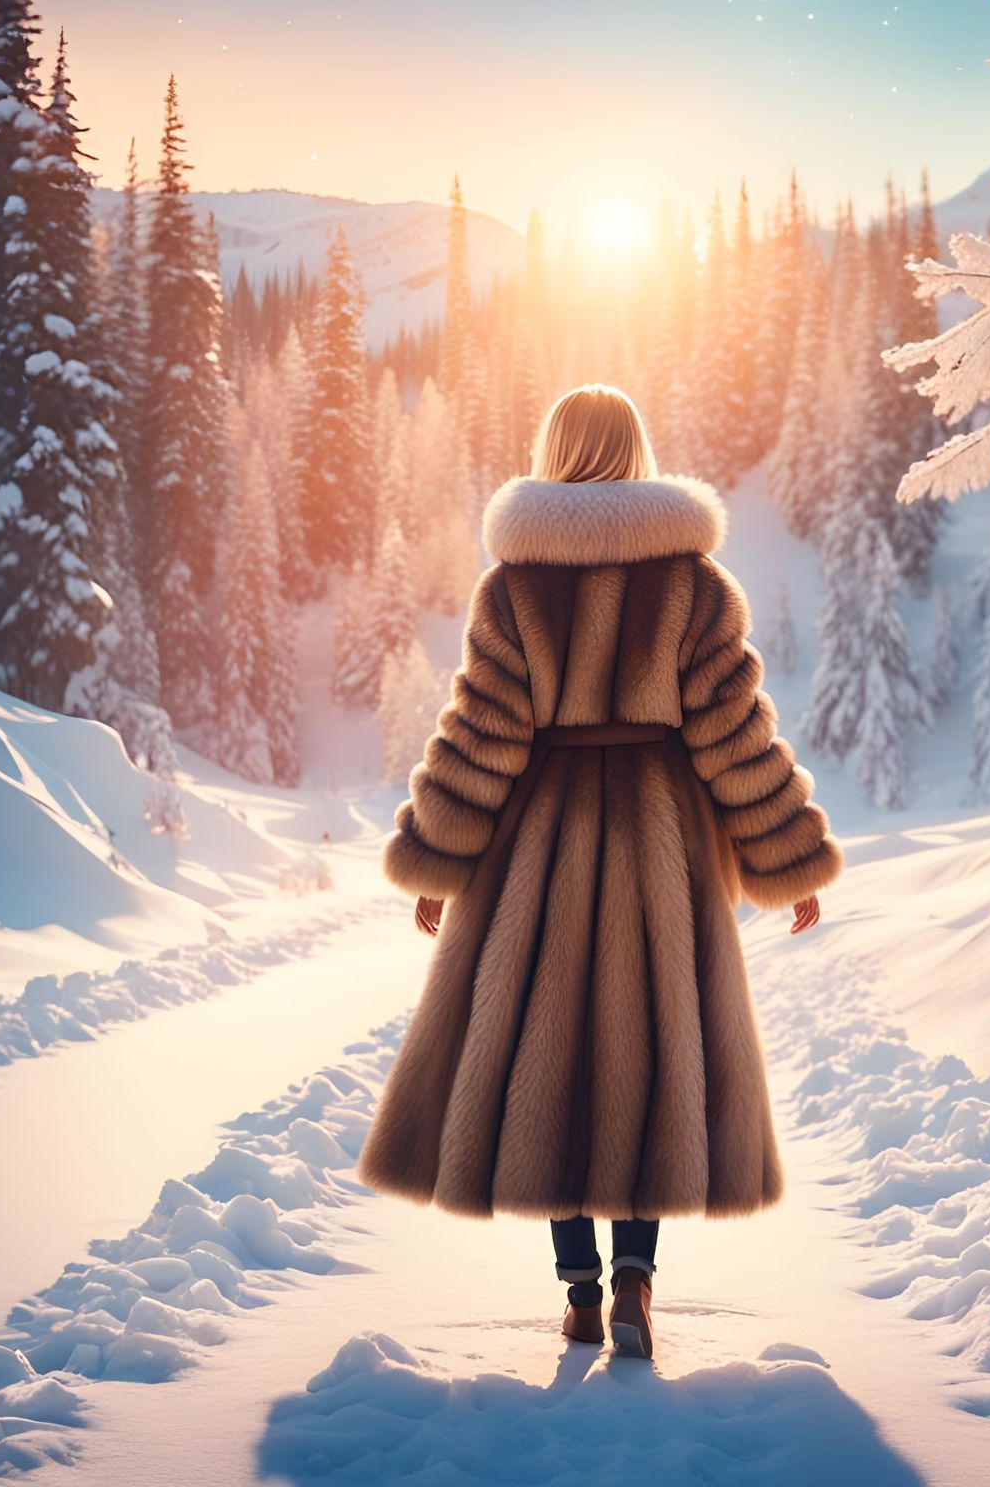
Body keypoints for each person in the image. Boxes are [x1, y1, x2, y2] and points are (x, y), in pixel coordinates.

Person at [358, 383, 842, 1359]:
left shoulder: (514, 587)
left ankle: (575, 1291)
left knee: (551, 1066)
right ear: (636, 451)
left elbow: (480, 733)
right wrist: (787, 859)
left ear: (555, 449)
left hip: (538, 847)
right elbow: (735, 733)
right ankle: (635, 1285)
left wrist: (436, 859)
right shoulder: (696, 584)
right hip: (663, 841)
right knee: (651, 1064)